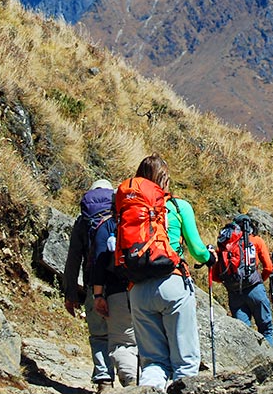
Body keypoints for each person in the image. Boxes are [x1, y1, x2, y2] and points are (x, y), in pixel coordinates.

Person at [123, 154, 214, 390]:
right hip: (172, 282)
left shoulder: (129, 209)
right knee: (185, 362)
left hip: (138, 289)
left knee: (153, 362)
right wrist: (210, 257)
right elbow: (197, 250)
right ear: (165, 179)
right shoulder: (178, 206)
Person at [63, 179, 116, 392]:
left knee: (99, 334)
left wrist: (70, 294)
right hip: (122, 285)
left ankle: (104, 381)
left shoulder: (83, 221)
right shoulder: (119, 213)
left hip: (93, 284)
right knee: (127, 336)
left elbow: (73, 259)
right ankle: (132, 381)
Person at [89, 190, 138, 386]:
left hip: (117, 293)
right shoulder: (145, 222)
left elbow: (99, 265)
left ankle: (132, 383)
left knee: (122, 344)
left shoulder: (107, 226)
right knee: (147, 343)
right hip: (146, 291)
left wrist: (98, 295)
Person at [213, 215, 273, 346]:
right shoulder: (256, 241)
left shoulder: (225, 244)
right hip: (255, 289)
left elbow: (215, 276)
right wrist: (257, 280)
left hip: (234, 293)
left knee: (243, 332)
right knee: (266, 328)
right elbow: (268, 267)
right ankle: (272, 362)